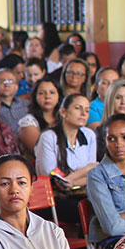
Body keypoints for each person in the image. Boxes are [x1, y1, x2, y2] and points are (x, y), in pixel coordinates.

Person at [35, 92, 96, 222]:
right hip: (52, 197)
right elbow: (53, 180)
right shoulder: (49, 137)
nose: (83, 113)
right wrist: (85, 170)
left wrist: (71, 181)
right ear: (63, 112)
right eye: (78, 108)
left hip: (81, 192)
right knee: (88, 210)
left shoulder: (89, 135)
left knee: (101, 206)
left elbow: (93, 175)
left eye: (87, 110)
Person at [87, 114, 125, 249]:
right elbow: (112, 226)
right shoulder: (97, 175)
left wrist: (123, 216)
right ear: (105, 141)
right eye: (111, 139)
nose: (118, 144)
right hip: (116, 242)